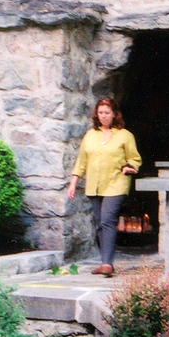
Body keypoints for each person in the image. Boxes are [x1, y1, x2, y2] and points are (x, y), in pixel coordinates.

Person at [67, 97, 141, 277]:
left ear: (115, 114)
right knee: (101, 223)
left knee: (107, 220)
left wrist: (130, 167)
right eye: (100, 112)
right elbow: (81, 162)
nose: (103, 116)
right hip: (94, 185)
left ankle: (107, 264)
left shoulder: (125, 135)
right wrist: (73, 183)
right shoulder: (90, 135)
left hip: (116, 182)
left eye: (107, 112)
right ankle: (104, 261)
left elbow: (134, 158)